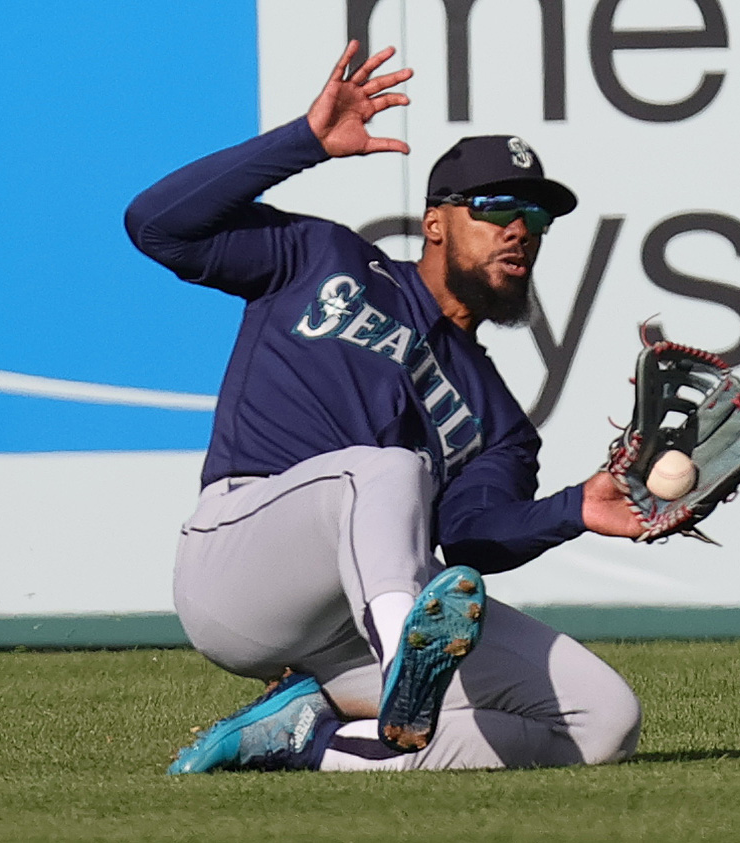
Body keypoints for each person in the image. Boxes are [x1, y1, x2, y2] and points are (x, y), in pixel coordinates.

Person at [125, 40, 645, 774]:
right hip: (239, 568)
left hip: (346, 633)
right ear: (435, 222)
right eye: (496, 207)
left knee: (604, 720)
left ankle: (313, 739)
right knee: (388, 469)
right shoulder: (321, 257)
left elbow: (468, 539)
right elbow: (157, 224)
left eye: (534, 214)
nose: (519, 227)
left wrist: (577, 508)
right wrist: (301, 142)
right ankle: (406, 660)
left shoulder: (499, 419)